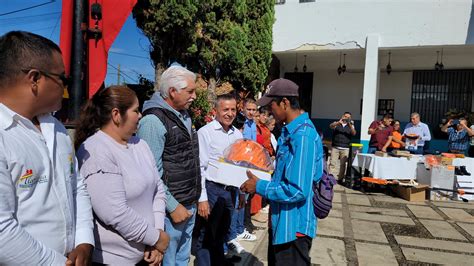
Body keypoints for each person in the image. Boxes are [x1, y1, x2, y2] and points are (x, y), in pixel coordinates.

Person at [0, 31, 94, 265]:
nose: (66, 87)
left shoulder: (57, 128)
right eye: (62, 78)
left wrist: (84, 240)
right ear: (34, 79)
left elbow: (76, 186)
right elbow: (2, 231)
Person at [74, 86, 169, 265]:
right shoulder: (97, 150)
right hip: (115, 260)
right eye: (135, 110)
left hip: (148, 254)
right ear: (116, 114)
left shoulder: (140, 144)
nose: (140, 115)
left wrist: (155, 238)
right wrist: (156, 238)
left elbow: (157, 190)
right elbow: (114, 213)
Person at [241, 78, 324, 266]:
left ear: (285, 103)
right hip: (281, 223)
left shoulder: (303, 137)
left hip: (293, 230)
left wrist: (259, 186)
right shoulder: (290, 132)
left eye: (272, 106)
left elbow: (297, 190)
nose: (269, 112)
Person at [137, 65, 201, 266]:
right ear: (172, 91)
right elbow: (151, 173)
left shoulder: (184, 116)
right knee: (169, 261)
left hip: (189, 203)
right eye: (190, 91)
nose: (194, 96)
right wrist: (173, 206)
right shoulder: (153, 121)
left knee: (182, 258)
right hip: (170, 210)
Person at [193, 94, 245, 265]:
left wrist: (241, 193)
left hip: (230, 192)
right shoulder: (205, 133)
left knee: (222, 232)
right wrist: (202, 198)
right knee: (206, 235)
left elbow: (240, 165)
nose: (230, 113)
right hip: (212, 190)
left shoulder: (237, 134)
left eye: (233, 109)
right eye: (225, 110)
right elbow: (200, 167)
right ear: (216, 111)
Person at [328, 112, 356, 181]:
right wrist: (338, 122)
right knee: (332, 163)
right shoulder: (337, 123)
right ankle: (330, 178)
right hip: (335, 147)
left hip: (345, 148)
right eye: (345, 116)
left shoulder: (351, 125)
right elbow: (331, 126)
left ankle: (340, 179)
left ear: (350, 118)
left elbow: (354, 133)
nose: (346, 118)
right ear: (342, 116)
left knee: (342, 165)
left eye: (348, 117)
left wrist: (350, 125)